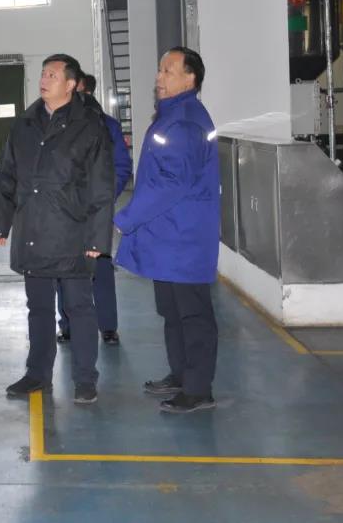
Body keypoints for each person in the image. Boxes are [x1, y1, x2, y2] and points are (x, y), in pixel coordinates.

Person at [0, 55, 115, 405]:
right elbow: (7, 175)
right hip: (33, 230)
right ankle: (37, 374)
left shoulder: (89, 127)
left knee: (79, 307)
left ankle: (85, 379)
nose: (44, 80)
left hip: (73, 233)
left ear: (70, 84)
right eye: (43, 74)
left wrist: (97, 238)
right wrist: (0, 222)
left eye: (52, 75)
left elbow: (101, 185)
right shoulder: (25, 125)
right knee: (39, 308)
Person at [113, 47, 220, 414]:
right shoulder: (172, 115)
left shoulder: (185, 122)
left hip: (184, 238)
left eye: (168, 71)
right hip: (169, 237)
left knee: (193, 315)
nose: (159, 78)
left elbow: (171, 183)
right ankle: (181, 374)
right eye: (160, 70)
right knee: (172, 312)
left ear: (190, 79)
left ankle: (198, 389)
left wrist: (126, 218)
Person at [56, 74, 133, 346]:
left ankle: (108, 326)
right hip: (66, 212)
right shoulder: (59, 125)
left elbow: (122, 166)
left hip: (97, 211)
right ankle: (67, 324)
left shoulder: (108, 125)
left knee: (101, 268)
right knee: (64, 268)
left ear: (85, 90)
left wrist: (105, 198)